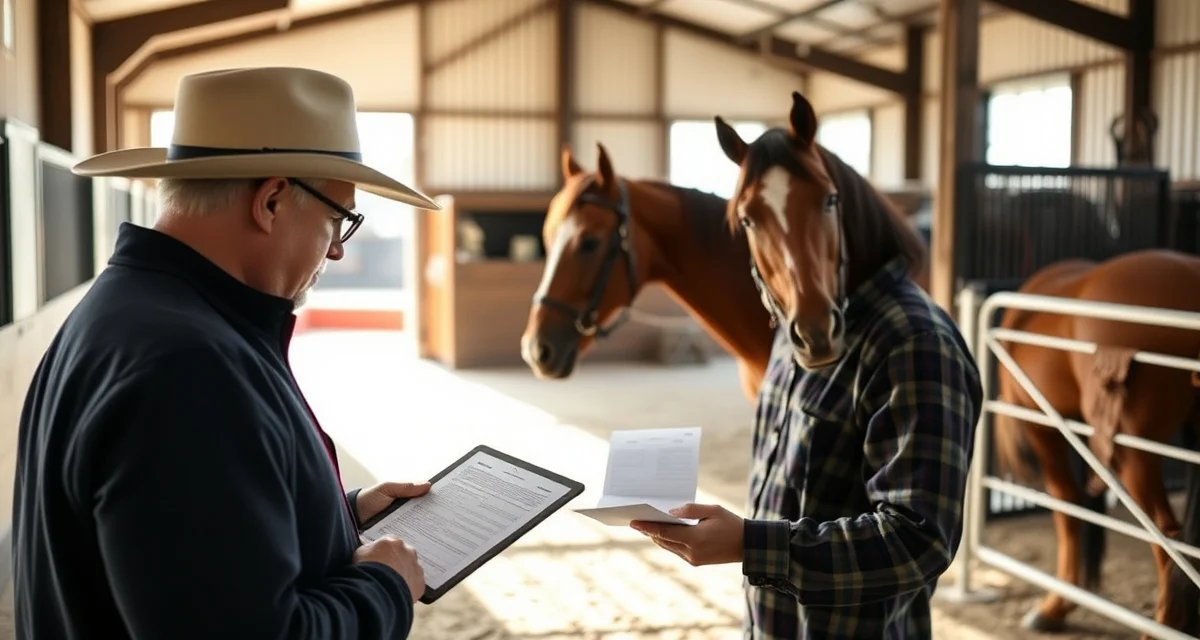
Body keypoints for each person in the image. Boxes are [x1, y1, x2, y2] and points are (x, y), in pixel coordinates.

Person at [11, 67, 440, 639]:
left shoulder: (129, 310)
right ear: (272, 201)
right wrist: (384, 587)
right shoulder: (189, 367)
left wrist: (339, 515)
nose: (337, 250)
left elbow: (192, 547)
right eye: (338, 219)